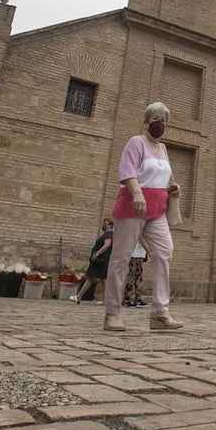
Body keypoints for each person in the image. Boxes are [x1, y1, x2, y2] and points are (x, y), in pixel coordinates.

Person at [105, 101, 183, 332]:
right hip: (133, 207)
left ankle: (160, 313)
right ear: (146, 122)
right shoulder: (136, 142)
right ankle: (112, 313)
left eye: (165, 120)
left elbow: (162, 178)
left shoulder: (164, 149)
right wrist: (137, 193)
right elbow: (128, 171)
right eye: (156, 119)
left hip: (157, 210)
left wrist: (172, 189)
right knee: (121, 258)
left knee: (164, 252)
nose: (161, 124)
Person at [71, 219, 114, 304]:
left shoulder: (108, 234)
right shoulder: (110, 234)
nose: (103, 225)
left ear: (110, 225)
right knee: (103, 280)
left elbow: (107, 245)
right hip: (104, 260)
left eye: (105, 224)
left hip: (100, 261)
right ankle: (106, 300)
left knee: (90, 277)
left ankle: (78, 297)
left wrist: (97, 253)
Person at [123, 240, 149, 308]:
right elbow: (142, 241)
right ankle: (126, 300)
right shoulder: (140, 229)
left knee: (138, 278)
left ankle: (138, 299)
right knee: (132, 277)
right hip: (135, 255)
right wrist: (150, 252)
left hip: (140, 255)